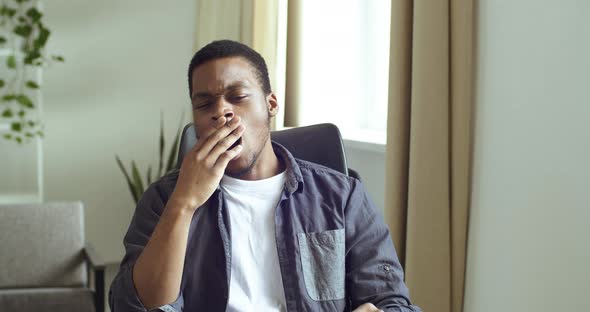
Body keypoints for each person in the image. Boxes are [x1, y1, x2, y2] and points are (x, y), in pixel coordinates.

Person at [109, 40, 421, 312]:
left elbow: (392, 300)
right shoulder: (164, 200)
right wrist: (184, 203)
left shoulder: (342, 196)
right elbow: (134, 306)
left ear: (270, 104)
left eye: (237, 96)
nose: (221, 112)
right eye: (204, 104)